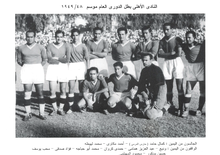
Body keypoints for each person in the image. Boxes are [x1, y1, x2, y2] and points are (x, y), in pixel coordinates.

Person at [17, 30, 47, 121]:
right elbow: (19, 60)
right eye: (28, 37)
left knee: (40, 92)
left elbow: (44, 59)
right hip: (26, 69)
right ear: (25, 37)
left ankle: (41, 113)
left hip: (37, 69)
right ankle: (27, 113)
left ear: (35, 37)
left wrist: (37, 66)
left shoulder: (40, 47)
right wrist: (26, 66)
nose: (29, 38)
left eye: (31, 37)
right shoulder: (21, 48)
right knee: (27, 92)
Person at [158, 23, 185, 116]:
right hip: (167, 63)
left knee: (179, 86)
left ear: (172, 29)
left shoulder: (177, 39)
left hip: (177, 62)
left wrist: (167, 53)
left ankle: (181, 108)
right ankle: (170, 105)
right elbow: (159, 54)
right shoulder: (161, 41)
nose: (166, 31)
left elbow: (178, 54)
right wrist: (170, 53)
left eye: (168, 29)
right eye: (164, 29)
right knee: (169, 87)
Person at [137, 53, 170, 119]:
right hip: (150, 90)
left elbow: (158, 87)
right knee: (142, 109)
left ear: (151, 60)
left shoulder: (156, 70)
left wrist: (154, 100)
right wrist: (144, 93)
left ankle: (167, 106)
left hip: (159, 90)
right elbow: (141, 84)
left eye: (146, 60)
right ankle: (146, 107)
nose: (144, 62)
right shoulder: (144, 70)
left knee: (152, 115)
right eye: (143, 60)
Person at [46, 30, 70, 116]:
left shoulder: (66, 46)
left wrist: (56, 58)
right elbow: (49, 59)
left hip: (63, 68)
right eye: (57, 36)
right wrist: (60, 59)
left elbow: (67, 60)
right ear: (54, 36)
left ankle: (61, 108)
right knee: (52, 90)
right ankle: (54, 108)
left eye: (61, 36)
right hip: (52, 68)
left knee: (63, 90)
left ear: (63, 37)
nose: (59, 38)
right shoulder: (49, 46)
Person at [181, 31, 205, 117]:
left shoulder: (201, 46)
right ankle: (186, 110)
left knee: (202, 91)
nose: (188, 39)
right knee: (188, 90)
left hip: (200, 68)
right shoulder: (184, 46)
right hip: (190, 68)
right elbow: (178, 42)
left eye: (189, 37)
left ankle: (199, 109)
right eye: (186, 37)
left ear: (194, 38)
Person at [66, 28, 90, 114]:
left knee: (81, 88)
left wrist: (87, 69)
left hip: (80, 66)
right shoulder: (69, 46)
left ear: (79, 36)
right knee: (71, 88)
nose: (75, 37)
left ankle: (81, 106)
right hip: (72, 66)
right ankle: (71, 107)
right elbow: (68, 60)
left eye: (77, 35)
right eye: (73, 35)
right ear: (71, 36)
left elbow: (87, 59)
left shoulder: (83, 46)